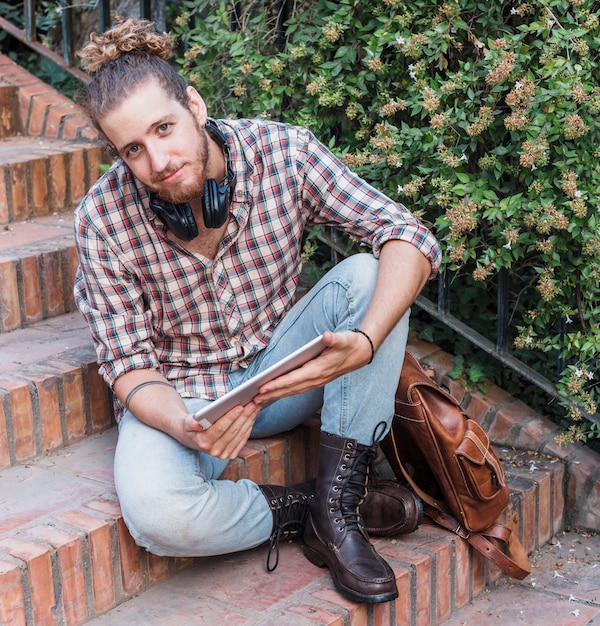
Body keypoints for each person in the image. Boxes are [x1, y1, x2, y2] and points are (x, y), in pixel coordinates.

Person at [74, 17, 441, 605]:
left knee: (371, 276)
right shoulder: (103, 217)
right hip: (185, 396)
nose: (158, 160)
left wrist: (367, 340)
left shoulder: (283, 151)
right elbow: (126, 363)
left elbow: (407, 234)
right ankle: (310, 510)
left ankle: (341, 508)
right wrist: (182, 424)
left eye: (165, 128)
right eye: (134, 149)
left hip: (279, 375)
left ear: (194, 105)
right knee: (156, 514)